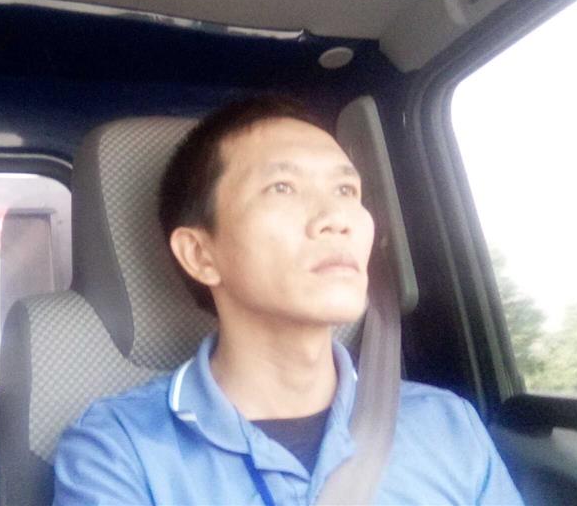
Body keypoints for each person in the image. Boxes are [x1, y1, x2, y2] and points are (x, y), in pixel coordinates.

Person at [53, 95, 523, 505]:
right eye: (283, 188)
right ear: (200, 254)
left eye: (346, 190)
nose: (337, 217)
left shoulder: (447, 424)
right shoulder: (118, 449)